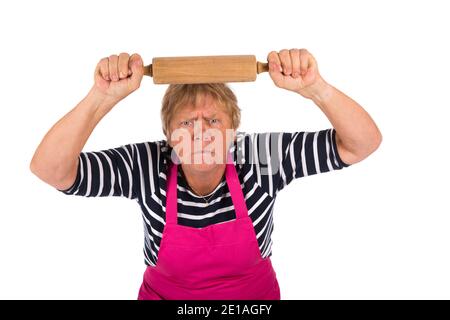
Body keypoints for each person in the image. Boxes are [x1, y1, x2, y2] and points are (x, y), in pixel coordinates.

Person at [30, 49, 382, 299]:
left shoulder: (259, 158)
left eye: (213, 120)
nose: (200, 133)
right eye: (186, 122)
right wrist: (101, 98)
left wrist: (314, 88)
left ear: (234, 131)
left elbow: (362, 143)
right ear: (168, 136)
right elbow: (51, 169)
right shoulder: (146, 165)